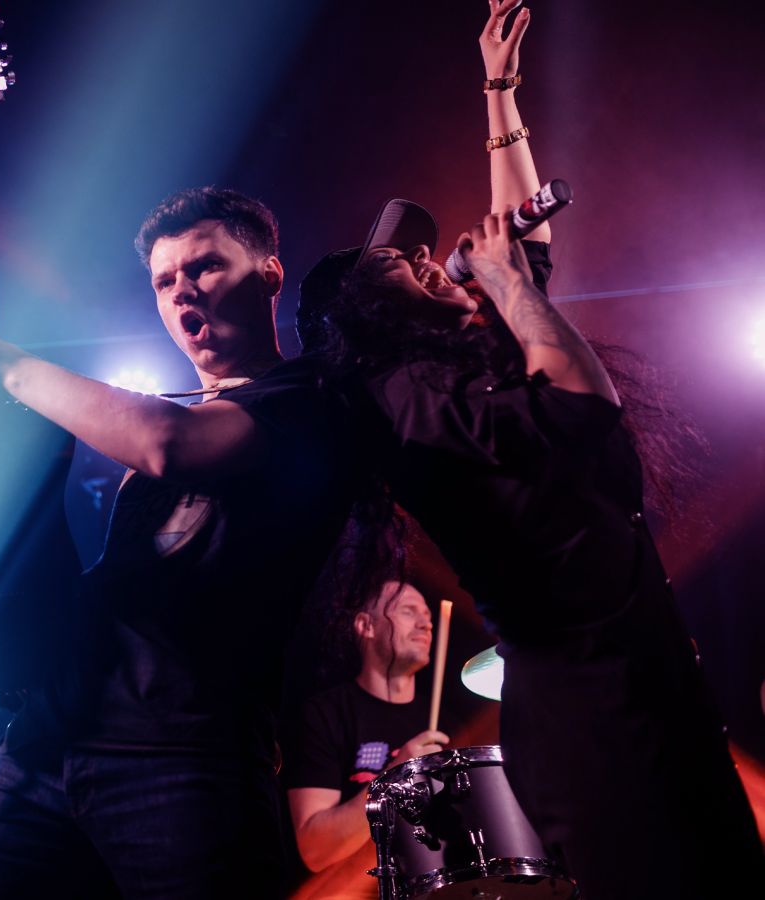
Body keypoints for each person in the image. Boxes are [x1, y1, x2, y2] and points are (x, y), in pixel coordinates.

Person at [294, 2, 765, 897]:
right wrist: (507, 285)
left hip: (649, 682)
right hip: (591, 717)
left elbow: (529, 244)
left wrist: (498, 86)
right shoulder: (407, 404)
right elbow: (583, 404)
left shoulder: (472, 359)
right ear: (367, 319)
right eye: (402, 266)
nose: (430, 262)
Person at [0, 187, 362, 898]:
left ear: (269, 275)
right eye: (165, 281)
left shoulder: (304, 401)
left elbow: (167, 443)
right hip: (46, 747)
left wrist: (11, 367)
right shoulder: (180, 412)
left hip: (185, 762)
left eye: (205, 267)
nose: (182, 290)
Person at [280, 580, 453, 896]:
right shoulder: (325, 715)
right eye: (408, 611)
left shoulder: (447, 723)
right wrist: (395, 776)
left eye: (428, 615)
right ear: (366, 626)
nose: (426, 624)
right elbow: (315, 850)